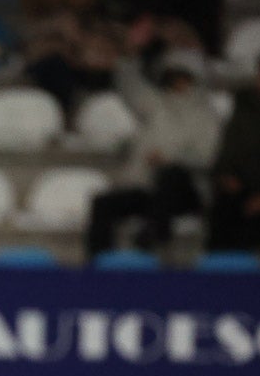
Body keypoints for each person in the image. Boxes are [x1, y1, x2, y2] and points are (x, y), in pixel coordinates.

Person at [84, 47, 220, 258]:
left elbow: (208, 157)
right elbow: (130, 88)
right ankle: (100, 267)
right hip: (149, 188)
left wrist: (169, 160)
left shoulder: (207, 117)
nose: (178, 83)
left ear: (195, 79)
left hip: (186, 192)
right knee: (102, 204)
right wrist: (128, 56)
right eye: (173, 77)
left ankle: (148, 247)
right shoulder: (156, 106)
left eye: (183, 77)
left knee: (170, 176)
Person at [206, 55, 260, 252]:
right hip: (238, 189)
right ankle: (216, 274)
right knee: (224, 210)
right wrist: (224, 176)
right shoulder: (242, 110)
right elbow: (227, 152)